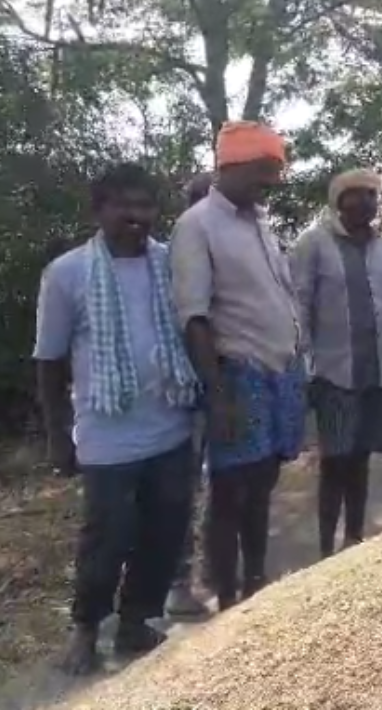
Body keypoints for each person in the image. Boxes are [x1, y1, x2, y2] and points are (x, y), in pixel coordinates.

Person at [34, 163, 201, 674]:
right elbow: (49, 358)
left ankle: (135, 622)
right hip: (107, 437)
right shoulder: (67, 274)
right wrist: (57, 435)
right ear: (98, 210)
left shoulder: (170, 263)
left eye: (145, 204)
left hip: (170, 427)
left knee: (165, 532)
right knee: (106, 537)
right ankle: (85, 629)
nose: (135, 215)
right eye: (122, 204)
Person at [170, 121, 305, 611]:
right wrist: (218, 391)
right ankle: (227, 597)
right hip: (237, 375)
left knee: (263, 482)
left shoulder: (260, 222)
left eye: (275, 174)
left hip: (280, 371)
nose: (270, 184)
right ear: (231, 165)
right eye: (263, 173)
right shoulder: (197, 225)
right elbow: (194, 316)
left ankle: (255, 583)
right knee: (231, 491)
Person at [291, 169, 382, 557]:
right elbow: (299, 308)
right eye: (354, 195)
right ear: (338, 201)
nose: (364, 202)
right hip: (332, 375)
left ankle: (354, 541)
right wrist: (306, 370)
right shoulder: (313, 245)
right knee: (335, 462)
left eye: (370, 195)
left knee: (361, 461)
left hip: (379, 376)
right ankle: (326, 548)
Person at [165, 171, 215, 620]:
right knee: (185, 490)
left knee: (232, 483)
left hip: (231, 385)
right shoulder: (171, 256)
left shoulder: (238, 249)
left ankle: (218, 569)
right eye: (201, 198)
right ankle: (179, 584)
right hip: (182, 394)